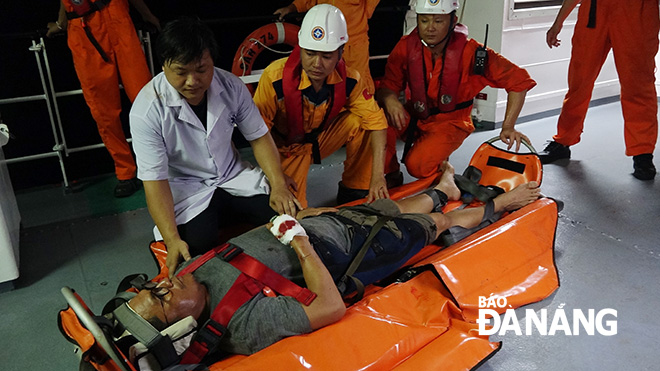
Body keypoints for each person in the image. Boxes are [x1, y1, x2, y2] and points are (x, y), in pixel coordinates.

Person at [123, 161, 541, 356]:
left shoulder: (187, 276)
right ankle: (501, 202)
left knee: (393, 208)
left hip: (322, 228)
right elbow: (330, 307)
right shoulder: (243, 325)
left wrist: (302, 218)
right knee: (434, 224)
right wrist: (300, 240)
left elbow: (249, 244)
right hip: (350, 252)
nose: (163, 283)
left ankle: (444, 187)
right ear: (182, 331)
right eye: (160, 298)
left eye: (151, 286)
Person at [129, 18, 301, 275]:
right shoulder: (146, 110)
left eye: (201, 69)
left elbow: (259, 137)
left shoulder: (231, 86)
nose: (192, 81)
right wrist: (172, 239)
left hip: (233, 176)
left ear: (212, 61)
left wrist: (277, 184)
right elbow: (155, 180)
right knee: (194, 249)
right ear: (163, 64)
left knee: (287, 217)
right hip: (187, 189)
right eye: (180, 71)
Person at [376, 0, 536, 182]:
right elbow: (387, 86)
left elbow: (519, 82)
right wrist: (390, 99)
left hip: (451, 122)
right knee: (375, 120)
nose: (430, 28)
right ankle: (390, 174)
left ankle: (445, 171)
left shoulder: (472, 52)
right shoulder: (405, 47)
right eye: (424, 20)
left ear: (453, 21)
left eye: (438, 21)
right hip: (415, 115)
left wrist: (508, 126)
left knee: (418, 166)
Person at [254, 4, 389, 207]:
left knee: (362, 121)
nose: (317, 64)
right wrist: (278, 180)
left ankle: (355, 188)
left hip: (318, 141)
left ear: (340, 53)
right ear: (300, 49)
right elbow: (257, 133)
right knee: (291, 211)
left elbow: (377, 123)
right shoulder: (274, 78)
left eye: (326, 56)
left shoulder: (351, 79)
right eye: (310, 53)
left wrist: (378, 176)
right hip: (284, 150)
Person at [46, 0, 159, 197]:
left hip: (117, 17)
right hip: (83, 30)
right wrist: (62, 22)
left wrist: (147, 15)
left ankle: (166, 162)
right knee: (103, 111)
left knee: (147, 101)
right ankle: (125, 172)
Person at [537, 0, 659, 181]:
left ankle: (643, 153)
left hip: (636, 14)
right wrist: (558, 22)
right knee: (579, 83)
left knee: (637, 87)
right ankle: (563, 141)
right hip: (593, 13)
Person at [274, 0, 380, 94]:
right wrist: (293, 8)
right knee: (326, 87)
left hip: (354, 46)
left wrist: (365, 13)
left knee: (358, 85)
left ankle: (364, 114)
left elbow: (368, 9)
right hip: (324, 45)